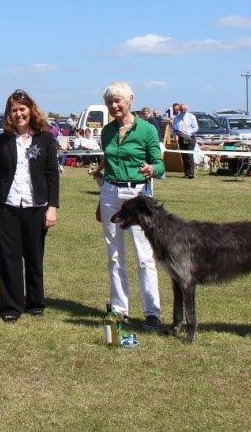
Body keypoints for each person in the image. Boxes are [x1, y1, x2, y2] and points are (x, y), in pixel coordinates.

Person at [0, 89, 59, 322]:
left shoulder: (45, 138)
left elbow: (52, 175)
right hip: (7, 206)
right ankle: (11, 306)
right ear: (9, 114)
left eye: (22, 109)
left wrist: (52, 207)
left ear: (30, 110)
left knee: (34, 257)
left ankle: (35, 302)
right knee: (8, 257)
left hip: (37, 206)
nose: (18, 114)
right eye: (14, 110)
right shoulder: (2, 140)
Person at [92, 81, 164, 331]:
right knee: (114, 254)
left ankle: (152, 313)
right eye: (110, 102)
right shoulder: (107, 131)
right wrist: (101, 200)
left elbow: (160, 164)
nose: (114, 106)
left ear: (130, 100)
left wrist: (152, 168)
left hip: (137, 195)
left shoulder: (147, 130)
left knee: (144, 256)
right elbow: (108, 165)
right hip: (110, 191)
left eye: (118, 101)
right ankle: (119, 309)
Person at [172, 102, 198, 178]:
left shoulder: (191, 116)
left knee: (189, 155)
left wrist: (188, 132)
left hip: (190, 137)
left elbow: (196, 128)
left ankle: (191, 174)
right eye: (181, 109)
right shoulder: (177, 117)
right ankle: (186, 173)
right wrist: (176, 132)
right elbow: (174, 127)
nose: (183, 110)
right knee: (184, 155)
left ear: (187, 109)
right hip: (181, 137)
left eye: (184, 109)